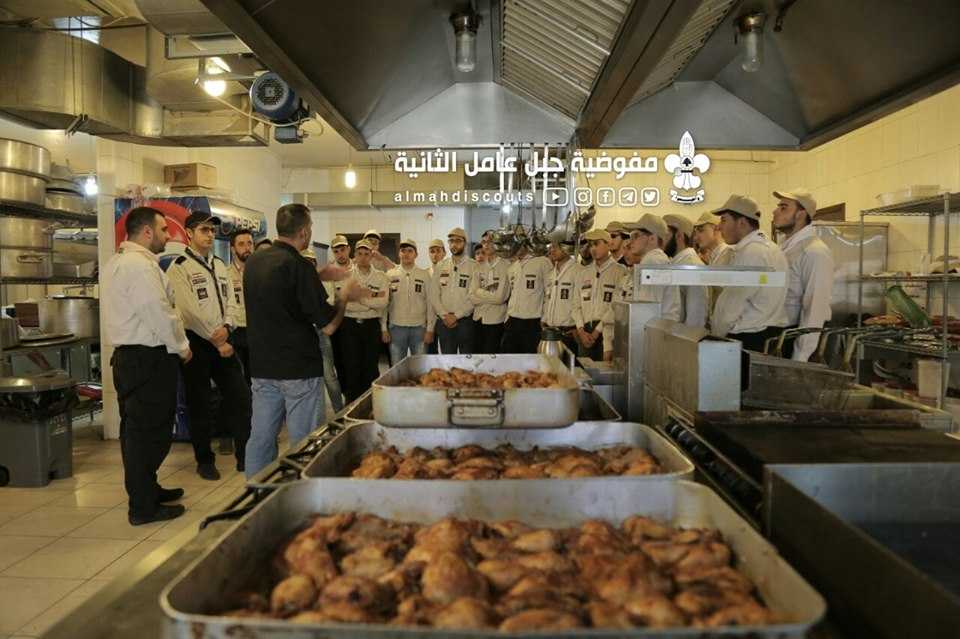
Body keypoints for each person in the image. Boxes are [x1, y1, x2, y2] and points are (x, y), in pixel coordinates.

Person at [243, 204, 361, 477]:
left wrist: (317, 276)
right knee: (305, 442)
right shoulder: (298, 266)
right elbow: (329, 326)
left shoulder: (255, 262)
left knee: (260, 439)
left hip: (262, 367)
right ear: (304, 231)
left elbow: (280, 289)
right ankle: (302, 490)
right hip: (298, 370)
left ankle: (257, 491)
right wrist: (344, 296)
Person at [103, 207, 191, 525]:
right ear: (147, 232)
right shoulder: (138, 266)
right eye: (164, 230)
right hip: (146, 359)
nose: (168, 236)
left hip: (132, 359)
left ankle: (147, 490)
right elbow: (158, 312)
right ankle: (142, 507)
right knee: (148, 435)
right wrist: (182, 346)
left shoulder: (119, 263)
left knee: (139, 432)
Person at [166, 212, 249, 480]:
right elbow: (188, 311)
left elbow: (231, 301)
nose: (210, 235)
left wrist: (227, 328)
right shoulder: (179, 267)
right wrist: (215, 339)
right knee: (199, 403)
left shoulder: (220, 265)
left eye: (212, 230)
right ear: (189, 233)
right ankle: (204, 460)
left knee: (241, 398)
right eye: (204, 230)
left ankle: (244, 455)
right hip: (198, 344)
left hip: (224, 337)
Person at [711, 195, 789, 351]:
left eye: (724, 220)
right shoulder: (768, 248)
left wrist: (715, 337)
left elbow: (732, 304)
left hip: (749, 338)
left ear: (742, 222)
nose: (719, 227)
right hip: (763, 334)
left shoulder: (752, 252)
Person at [602, 215, 682, 359]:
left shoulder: (653, 263)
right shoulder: (650, 262)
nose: (631, 241)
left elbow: (645, 314)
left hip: (652, 344)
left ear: (652, 238)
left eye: (636, 236)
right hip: (654, 340)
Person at [773, 188, 834, 361]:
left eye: (783, 207)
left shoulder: (814, 251)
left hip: (799, 339)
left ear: (801, 214)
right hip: (782, 335)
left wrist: (800, 356)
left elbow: (815, 307)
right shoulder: (785, 247)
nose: (775, 211)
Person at [341, 239, 390, 401]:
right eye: (360, 253)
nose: (363, 257)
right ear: (355, 255)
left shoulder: (381, 277)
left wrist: (360, 299)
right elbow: (343, 302)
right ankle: (352, 404)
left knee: (371, 367)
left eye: (366, 254)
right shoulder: (346, 275)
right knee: (352, 366)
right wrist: (370, 304)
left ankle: (371, 403)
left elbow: (383, 302)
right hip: (350, 325)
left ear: (371, 256)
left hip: (371, 326)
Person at [572, 229, 627, 361]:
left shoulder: (619, 271)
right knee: (585, 370)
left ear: (608, 244)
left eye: (597, 244)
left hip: (607, 331)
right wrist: (581, 331)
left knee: (605, 371)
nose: (592, 249)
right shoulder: (583, 273)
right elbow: (575, 305)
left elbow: (616, 306)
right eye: (590, 245)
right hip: (585, 331)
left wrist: (597, 331)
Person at [383, 239, 433, 365]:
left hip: (419, 328)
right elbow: (384, 304)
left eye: (410, 251)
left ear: (416, 254)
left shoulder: (424, 275)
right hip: (396, 328)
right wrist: (383, 328)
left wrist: (430, 329)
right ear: (399, 253)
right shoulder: (390, 275)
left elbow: (430, 303)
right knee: (397, 367)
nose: (406, 254)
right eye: (403, 250)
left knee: (420, 367)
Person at [429, 228, 478, 354]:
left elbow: (474, 296)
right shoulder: (441, 266)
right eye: (451, 241)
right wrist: (444, 315)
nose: (454, 244)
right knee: (448, 359)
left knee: (467, 359)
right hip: (444, 322)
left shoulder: (474, 266)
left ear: (465, 243)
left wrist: (456, 316)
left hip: (465, 322)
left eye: (458, 241)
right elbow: (434, 294)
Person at [502, 243, 553, 353]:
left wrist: (545, 318)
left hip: (533, 322)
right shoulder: (512, 267)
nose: (516, 247)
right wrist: (507, 318)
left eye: (519, 244)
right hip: (512, 320)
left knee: (530, 359)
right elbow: (512, 294)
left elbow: (550, 292)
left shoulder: (542, 261)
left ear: (525, 243)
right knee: (509, 358)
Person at [663, 214, 708, 329]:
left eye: (665, 235)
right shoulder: (678, 263)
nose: (661, 240)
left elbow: (696, 317)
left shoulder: (692, 266)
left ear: (679, 236)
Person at [470, 240, 510, 353]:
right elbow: (471, 296)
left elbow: (500, 298)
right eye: (484, 242)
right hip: (478, 318)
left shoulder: (506, 265)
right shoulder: (478, 266)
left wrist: (479, 291)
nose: (486, 245)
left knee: (492, 357)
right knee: (477, 357)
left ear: (497, 243)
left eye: (489, 241)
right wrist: (491, 294)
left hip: (496, 320)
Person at [543, 241, 581, 355]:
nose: (552, 250)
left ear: (566, 247)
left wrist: (578, 328)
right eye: (551, 247)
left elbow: (580, 304)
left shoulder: (578, 270)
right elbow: (547, 299)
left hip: (568, 333)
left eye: (556, 247)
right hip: (550, 332)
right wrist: (544, 320)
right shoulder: (551, 272)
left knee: (568, 365)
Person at [227, 230, 254, 386]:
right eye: (241, 244)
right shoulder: (225, 274)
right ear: (233, 249)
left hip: (256, 330)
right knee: (238, 379)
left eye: (250, 243)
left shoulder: (261, 272)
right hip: (236, 331)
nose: (247, 248)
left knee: (257, 378)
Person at [425, 239, 446, 355]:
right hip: (428, 319)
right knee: (430, 353)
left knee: (447, 352)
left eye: (438, 251)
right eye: (432, 251)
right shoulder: (424, 273)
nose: (435, 254)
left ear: (444, 253)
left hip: (444, 318)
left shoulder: (450, 272)